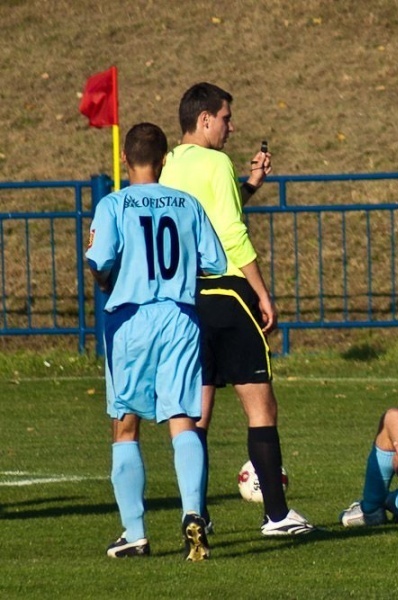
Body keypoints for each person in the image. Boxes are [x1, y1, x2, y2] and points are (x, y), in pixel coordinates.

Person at [159, 82, 313, 536]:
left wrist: (249, 185)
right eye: (226, 117)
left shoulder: (169, 165)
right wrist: (262, 292)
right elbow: (228, 229)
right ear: (204, 119)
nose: (231, 126)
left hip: (185, 301)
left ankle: (196, 513)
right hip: (227, 294)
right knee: (260, 404)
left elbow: (205, 211)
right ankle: (278, 515)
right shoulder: (215, 161)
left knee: (198, 411)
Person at [85, 122, 227, 560]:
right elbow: (215, 262)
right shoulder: (187, 204)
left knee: (126, 425)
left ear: (126, 159)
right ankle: (191, 513)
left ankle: (135, 533)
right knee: (183, 418)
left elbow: (99, 261)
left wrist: (107, 275)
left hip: (132, 319)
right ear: (165, 160)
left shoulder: (112, 205)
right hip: (181, 318)